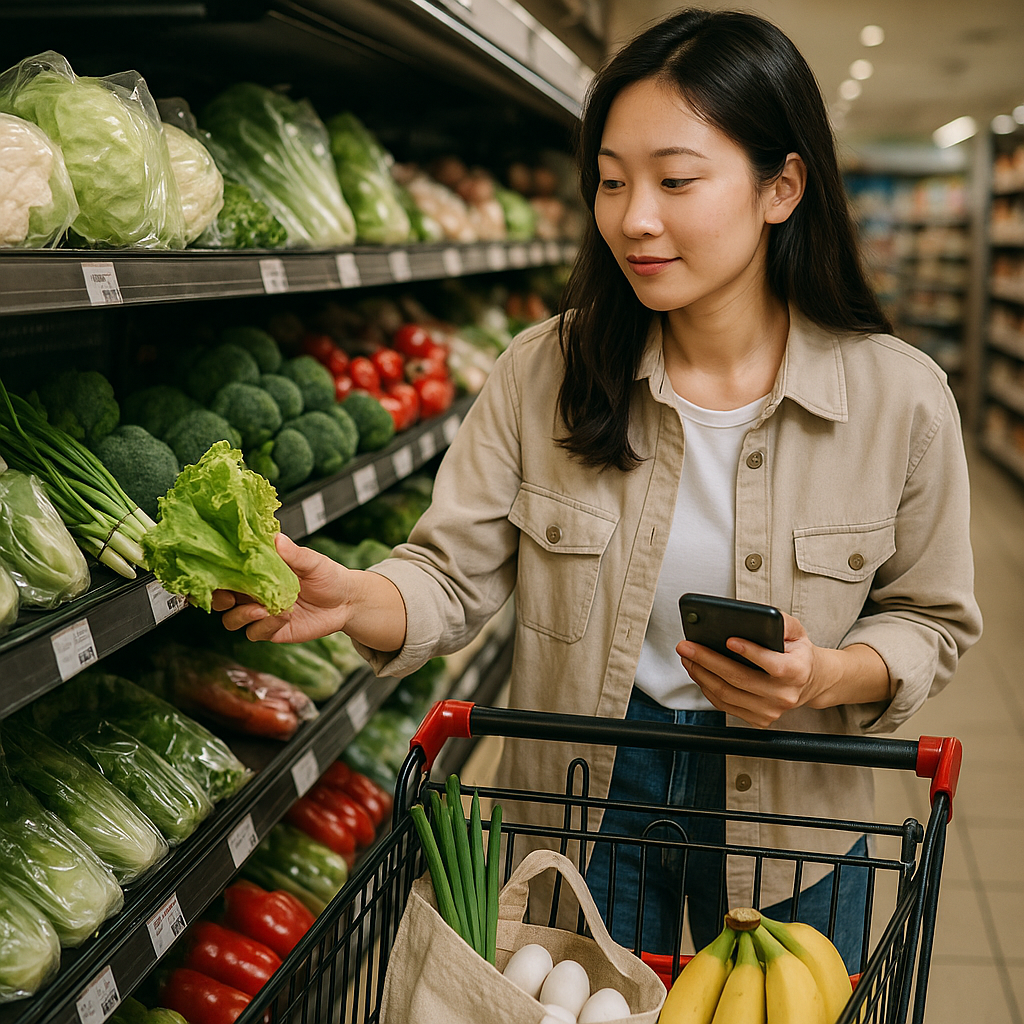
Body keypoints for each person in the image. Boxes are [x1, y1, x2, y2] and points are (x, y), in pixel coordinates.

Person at [214, 7, 982, 970]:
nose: (634, 218)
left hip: (792, 816)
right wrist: (352, 597)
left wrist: (823, 676)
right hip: (582, 797)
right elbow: (448, 579)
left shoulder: (899, 398)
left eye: (676, 179)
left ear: (782, 186)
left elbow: (931, 619)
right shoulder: (546, 371)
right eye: (611, 182)